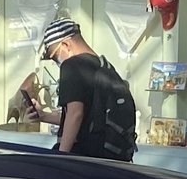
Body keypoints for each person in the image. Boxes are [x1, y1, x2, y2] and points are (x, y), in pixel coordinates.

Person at [37, 18, 138, 159]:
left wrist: (60, 157)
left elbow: (75, 114)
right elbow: (89, 118)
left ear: (66, 45)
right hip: (110, 158)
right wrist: (44, 116)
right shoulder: (104, 67)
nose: (56, 63)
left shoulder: (72, 65)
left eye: (54, 57)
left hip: (85, 159)